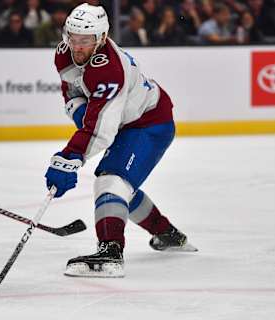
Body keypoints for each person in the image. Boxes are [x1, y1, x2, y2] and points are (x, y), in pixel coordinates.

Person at [45, 3, 197, 278]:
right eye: (72, 38)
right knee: (120, 186)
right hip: (126, 124)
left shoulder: (109, 68)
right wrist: (81, 113)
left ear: (101, 38)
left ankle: (111, 252)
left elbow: (101, 131)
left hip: (149, 123)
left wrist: (70, 157)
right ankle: (167, 234)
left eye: (85, 40)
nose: (77, 47)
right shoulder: (64, 53)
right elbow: (72, 91)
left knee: (110, 181)